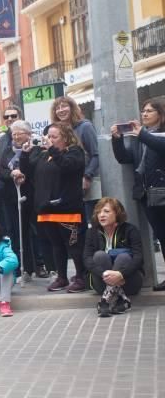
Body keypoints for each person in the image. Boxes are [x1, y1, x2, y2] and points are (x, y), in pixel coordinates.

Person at [21, 122, 88, 292]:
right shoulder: (44, 155)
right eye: (48, 136)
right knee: (56, 245)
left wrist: (52, 150)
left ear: (65, 138)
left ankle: (81, 276)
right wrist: (25, 154)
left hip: (68, 209)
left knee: (73, 245)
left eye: (54, 137)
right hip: (46, 208)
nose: (50, 140)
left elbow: (67, 166)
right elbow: (28, 171)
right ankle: (62, 277)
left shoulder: (75, 152)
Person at [111, 97, 165, 290]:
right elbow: (124, 158)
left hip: (162, 190)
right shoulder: (139, 137)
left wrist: (142, 134)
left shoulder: (157, 135)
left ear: (160, 114)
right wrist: (116, 140)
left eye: (150, 111)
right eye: (143, 110)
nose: (144, 114)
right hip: (146, 193)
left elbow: (161, 147)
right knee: (161, 234)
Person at [84, 197, 145, 317]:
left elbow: (139, 258)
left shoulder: (130, 230)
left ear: (117, 213)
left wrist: (121, 274)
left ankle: (105, 301)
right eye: (98, 212)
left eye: (106, 211)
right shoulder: (92, 232)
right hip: (102, 281)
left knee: (123, 257)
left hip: (128, 282)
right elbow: (87, 259)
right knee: (99, 256)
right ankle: (122, 300)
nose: (101, 215)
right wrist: (104, 273)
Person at [0, 119, 38, 281]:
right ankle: (22, 268)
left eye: (18, 133)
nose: (15, 137)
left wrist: (23, 173)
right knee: (16, 232)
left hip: (30, 196)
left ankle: (38, 266)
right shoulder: (7, 151)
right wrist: (12, 174)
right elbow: (1, 171)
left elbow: (34, 167)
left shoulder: (35, 149)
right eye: (13, 134)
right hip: (11, 198)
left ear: (28, 134)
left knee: (32, 232)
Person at [51, 96, 101, 221]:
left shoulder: (85, 127)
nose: (61, 110)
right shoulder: (56, 131)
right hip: (67, 187)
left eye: (64, 106)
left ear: (72, 108)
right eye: (57, 108)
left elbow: (95, 154)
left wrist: (87, 176)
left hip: (86, 182)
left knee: (90, 219)